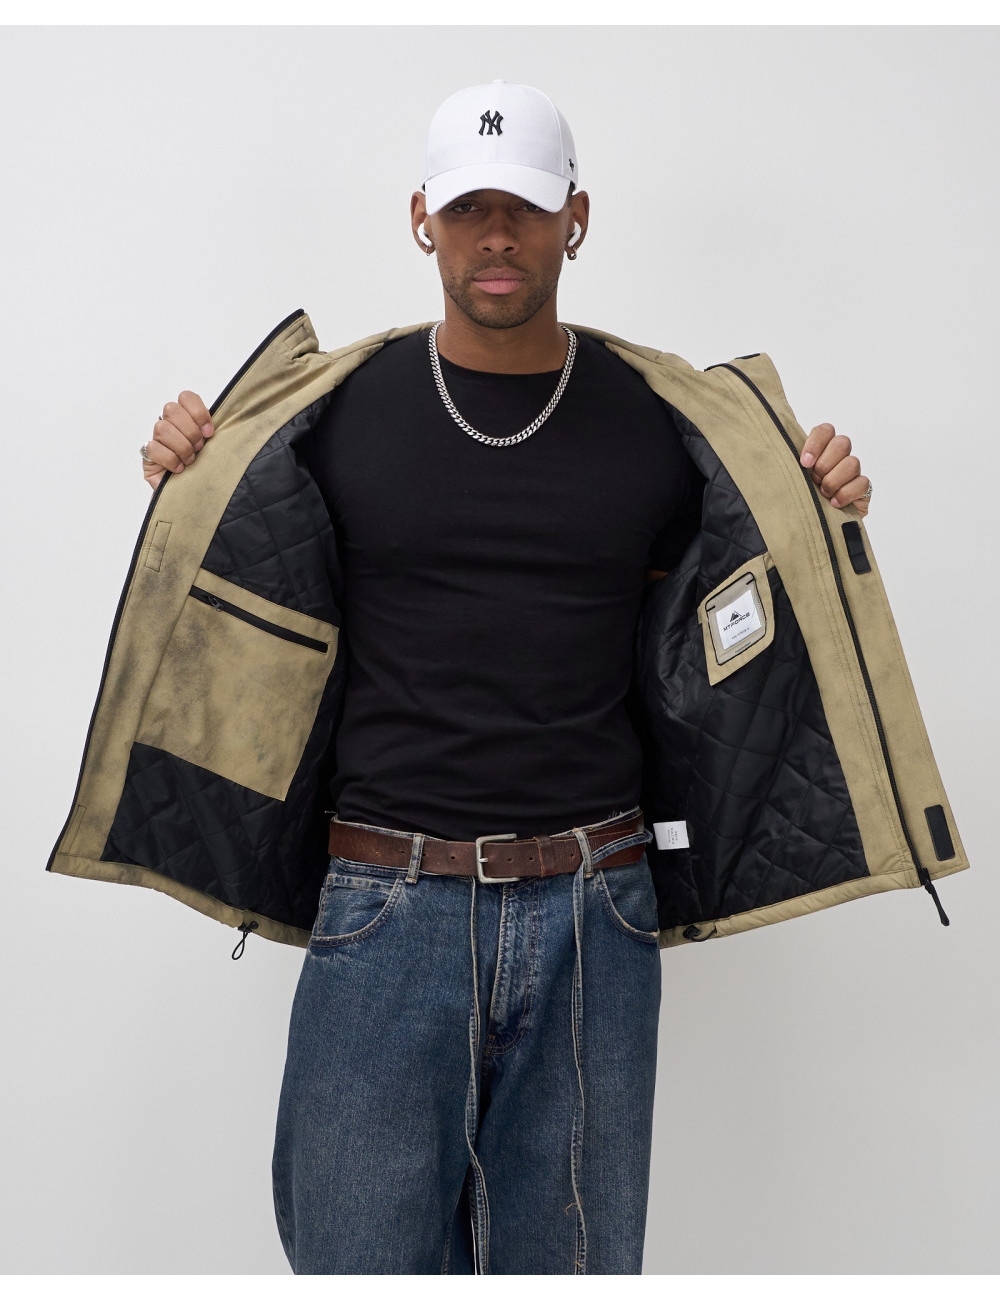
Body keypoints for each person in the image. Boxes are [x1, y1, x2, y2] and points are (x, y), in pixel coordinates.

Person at [56, 81, 964, 1277]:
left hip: (597, 912)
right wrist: (191, 463)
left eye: (525, 208)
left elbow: (740, 593)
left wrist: (822, 501)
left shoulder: (660, 421)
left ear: (574, 219)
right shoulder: (333, 414)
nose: (497, 236)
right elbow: (241, 563)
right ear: (420, 218)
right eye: (469, 208)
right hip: (385, 908)